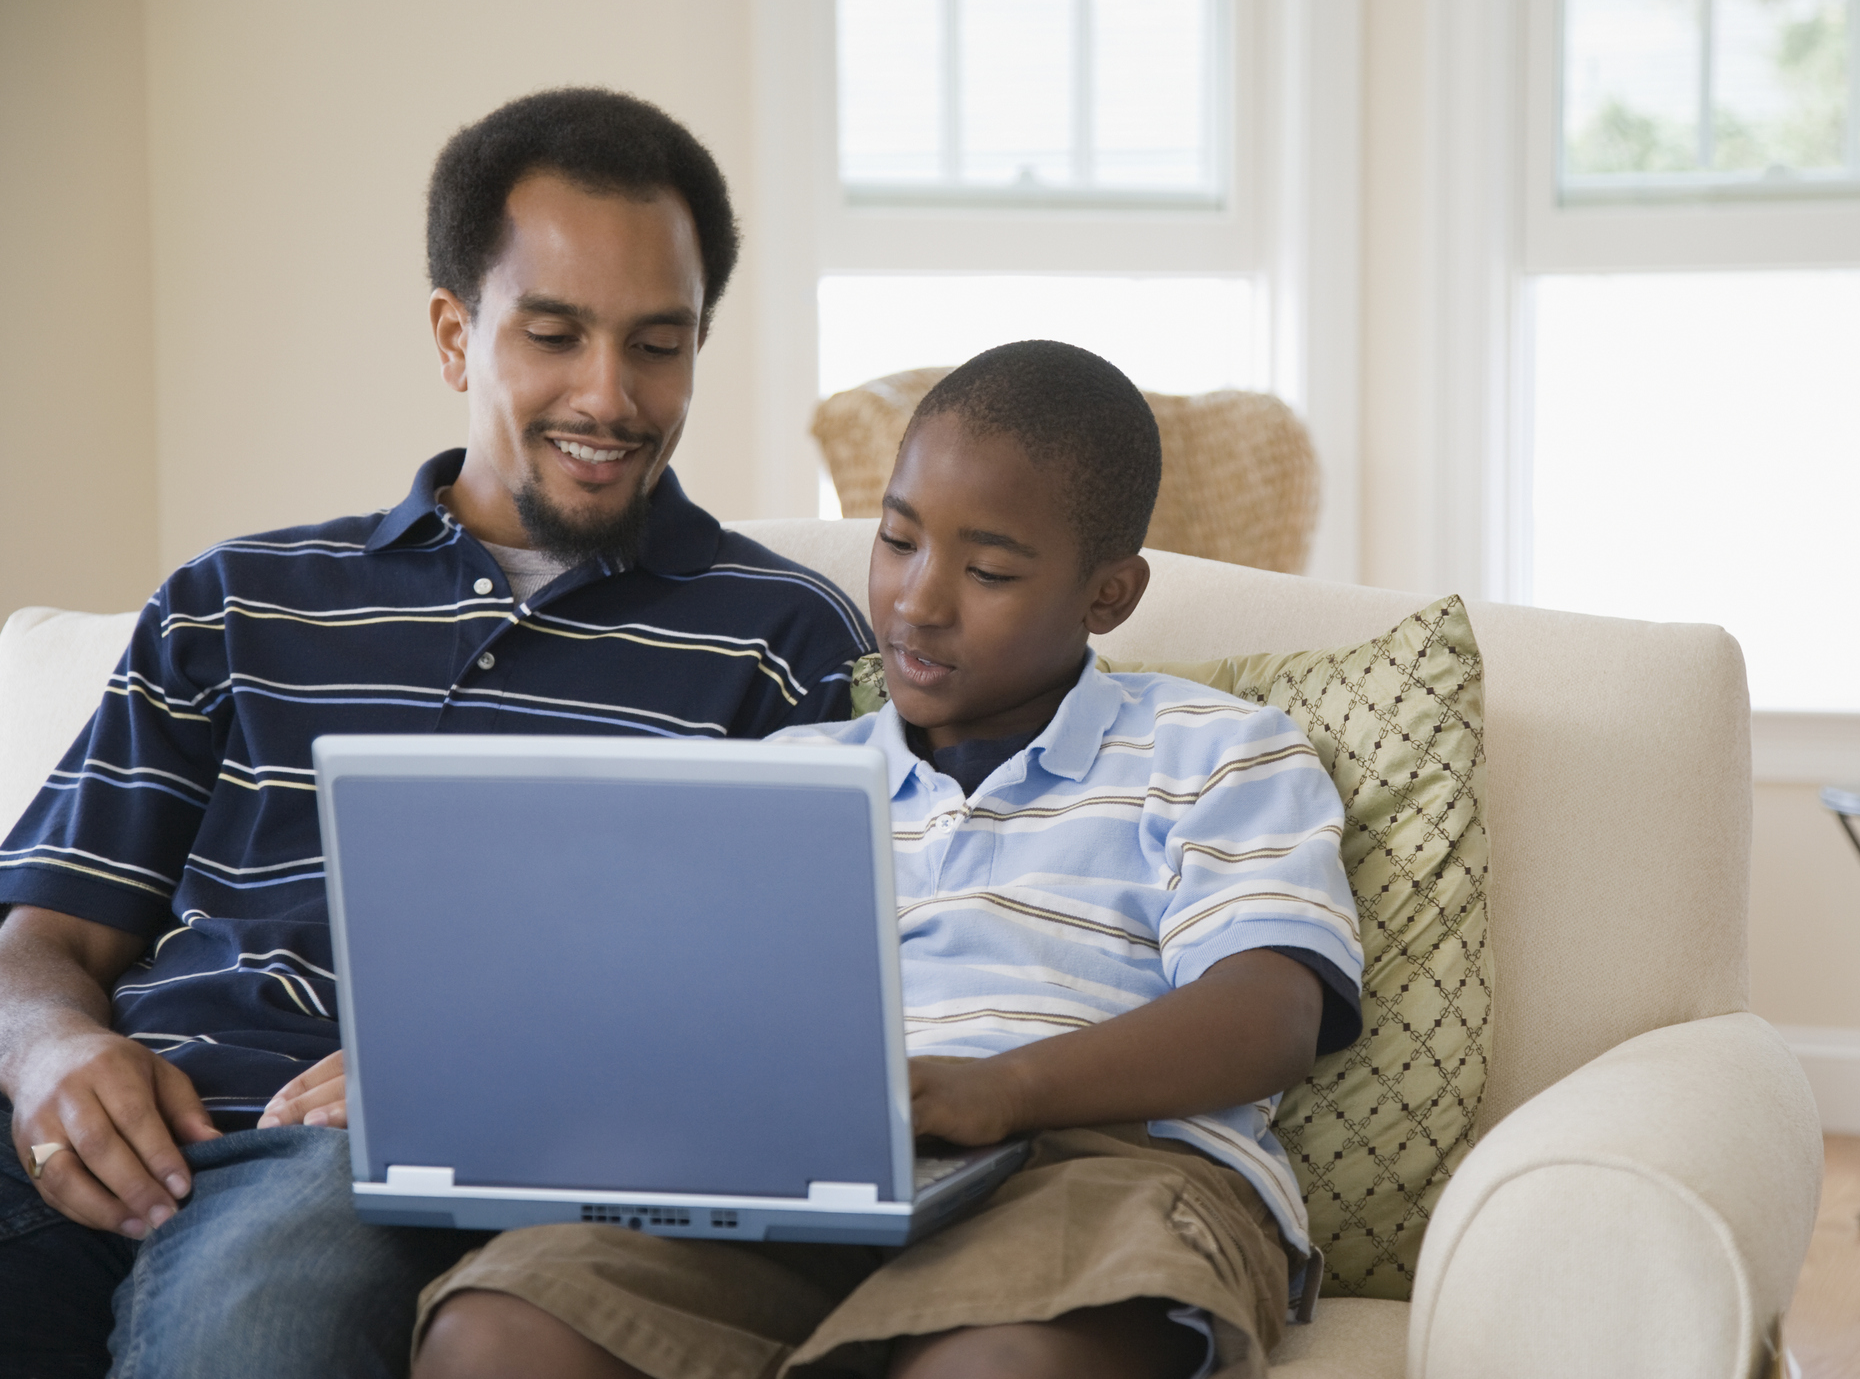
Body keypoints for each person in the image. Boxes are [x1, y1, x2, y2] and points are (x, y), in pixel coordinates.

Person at [0, 88, 872, 1379]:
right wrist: (53, 1046)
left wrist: (475, 1074)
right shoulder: (231, 598)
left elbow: (795, 1016)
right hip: (111, 1115)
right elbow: (46, 930)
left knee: (257, 1335)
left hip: (368, 1171)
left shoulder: (784, 642)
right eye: (555, 333)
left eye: (657, 344)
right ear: (457, 336)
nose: (609, 395)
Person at [409, 340, 1366, 1379]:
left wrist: (1001, 1090)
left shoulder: (1218, 747)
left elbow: (1272, 1013)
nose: (919, 599)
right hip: (804, 1188)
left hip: (1103, 1168)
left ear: (1109, 594)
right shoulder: (790, 774)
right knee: (494, 1330)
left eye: (988, 570)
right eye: (898, 539)